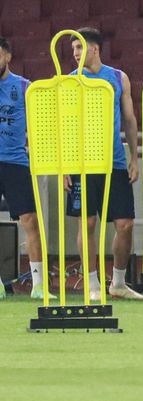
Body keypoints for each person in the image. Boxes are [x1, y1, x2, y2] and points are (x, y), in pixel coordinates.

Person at [64, 27, 143, 301]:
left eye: (79, 48)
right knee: (87, 224)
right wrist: (65, 167)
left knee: (125, 224)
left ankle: (119, 283)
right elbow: (65, 126)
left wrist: (134, 157)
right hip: (81, 164)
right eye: (73, 49)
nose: (75, 54)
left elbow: (130, 120)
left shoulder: (118, 78)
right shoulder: (70, 82)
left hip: (115, 163)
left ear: (94, 49)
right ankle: (92, 283)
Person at [0, 37, 51, 300]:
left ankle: (39, 285)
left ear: (8, 56)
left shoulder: (24, 88)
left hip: (16, 163)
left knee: (30, 221)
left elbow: (41, 128)